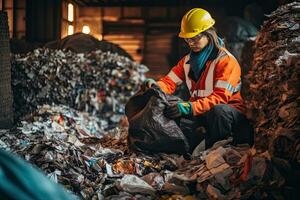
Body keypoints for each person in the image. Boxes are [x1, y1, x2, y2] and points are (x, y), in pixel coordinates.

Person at [143, 8, 254, 150]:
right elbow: (169, 82)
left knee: (218, 111)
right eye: (187, 39)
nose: (191, 43)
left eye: (195, 38)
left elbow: (220, 98)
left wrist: (189, 107)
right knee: (170, 108)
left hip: (229, 116)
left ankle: (221, 151)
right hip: (201, 111)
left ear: (209, 34)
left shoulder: (226, 61)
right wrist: (155, 86)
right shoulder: (187, 61)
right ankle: (186, 151)